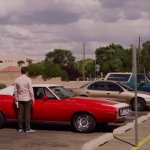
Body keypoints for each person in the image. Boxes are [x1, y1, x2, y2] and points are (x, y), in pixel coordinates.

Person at [14, 67, 35, 133]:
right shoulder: (28, 79)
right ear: (26, 72)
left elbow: (15, 90)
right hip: (27, 98)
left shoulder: (16, 79)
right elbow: (31, 90)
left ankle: (20, 128)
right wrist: (32, 98)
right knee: (27, 113)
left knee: (20, 113)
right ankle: (27, 129)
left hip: (20, 98)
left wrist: (16, 98)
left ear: (21, 72)